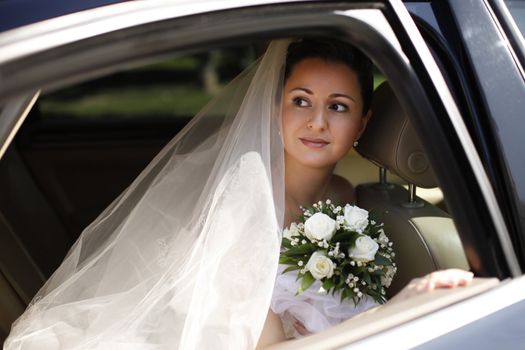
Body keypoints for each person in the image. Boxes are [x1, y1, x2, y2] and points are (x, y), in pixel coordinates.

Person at [4, 38, 472, 350]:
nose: (317, 122)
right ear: (275, 107)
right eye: (301, 101)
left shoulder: (348, 196)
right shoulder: (243, 207)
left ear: (364, 123)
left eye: (339, 107)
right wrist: (405, 307)